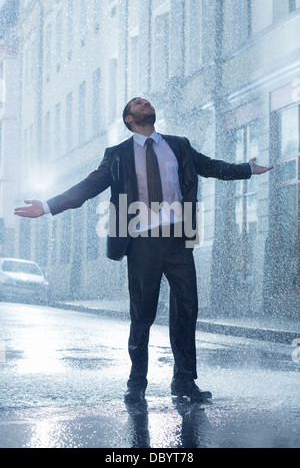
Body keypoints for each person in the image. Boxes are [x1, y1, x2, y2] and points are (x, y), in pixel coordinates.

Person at [14, 98, 273, 403]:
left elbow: (210, 166)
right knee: (143, 314)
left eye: (145, 101)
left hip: (179, 237)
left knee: (187, 309)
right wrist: (45, 207)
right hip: (142, 241)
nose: (144, 102)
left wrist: (246, 169)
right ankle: (136, 383)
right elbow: (86, 188)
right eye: (137, 103)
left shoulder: (178, 145)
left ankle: (184, 381)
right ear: (129, 119)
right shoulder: (118, 155)